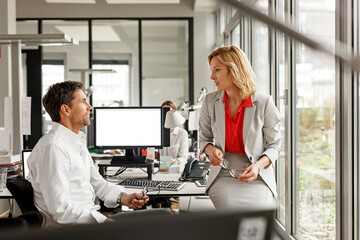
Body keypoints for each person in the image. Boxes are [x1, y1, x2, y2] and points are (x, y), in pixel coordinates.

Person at [28, 81, 149, 228]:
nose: (89, 107)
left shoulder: (75, 141)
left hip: (89, 222)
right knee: (159, 221)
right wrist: (104, 221)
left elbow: (97, 182)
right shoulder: (54, 148)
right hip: (72, 231)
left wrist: (123, 197)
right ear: (66, 110)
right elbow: (60, 210)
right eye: (83, 101)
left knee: (159, 219)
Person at [199, 46, 281, 208]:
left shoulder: (264, 102)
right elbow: (204, 139)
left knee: (256, 213)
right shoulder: (210, 101)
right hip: (223, 174)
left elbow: (274, 146)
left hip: (257, 175)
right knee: (229, 212)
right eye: (211, 70)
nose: (212, 76)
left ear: (234, 70)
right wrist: (211, 150)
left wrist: (258, 166)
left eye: (217, 70)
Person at [159, 100, 189, 171]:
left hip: (176, 170)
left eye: (169, 112)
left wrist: (175, 160)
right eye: (164, 112)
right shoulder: (158, 133)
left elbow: (184, 158)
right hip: (160, 170)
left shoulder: (182, 133)